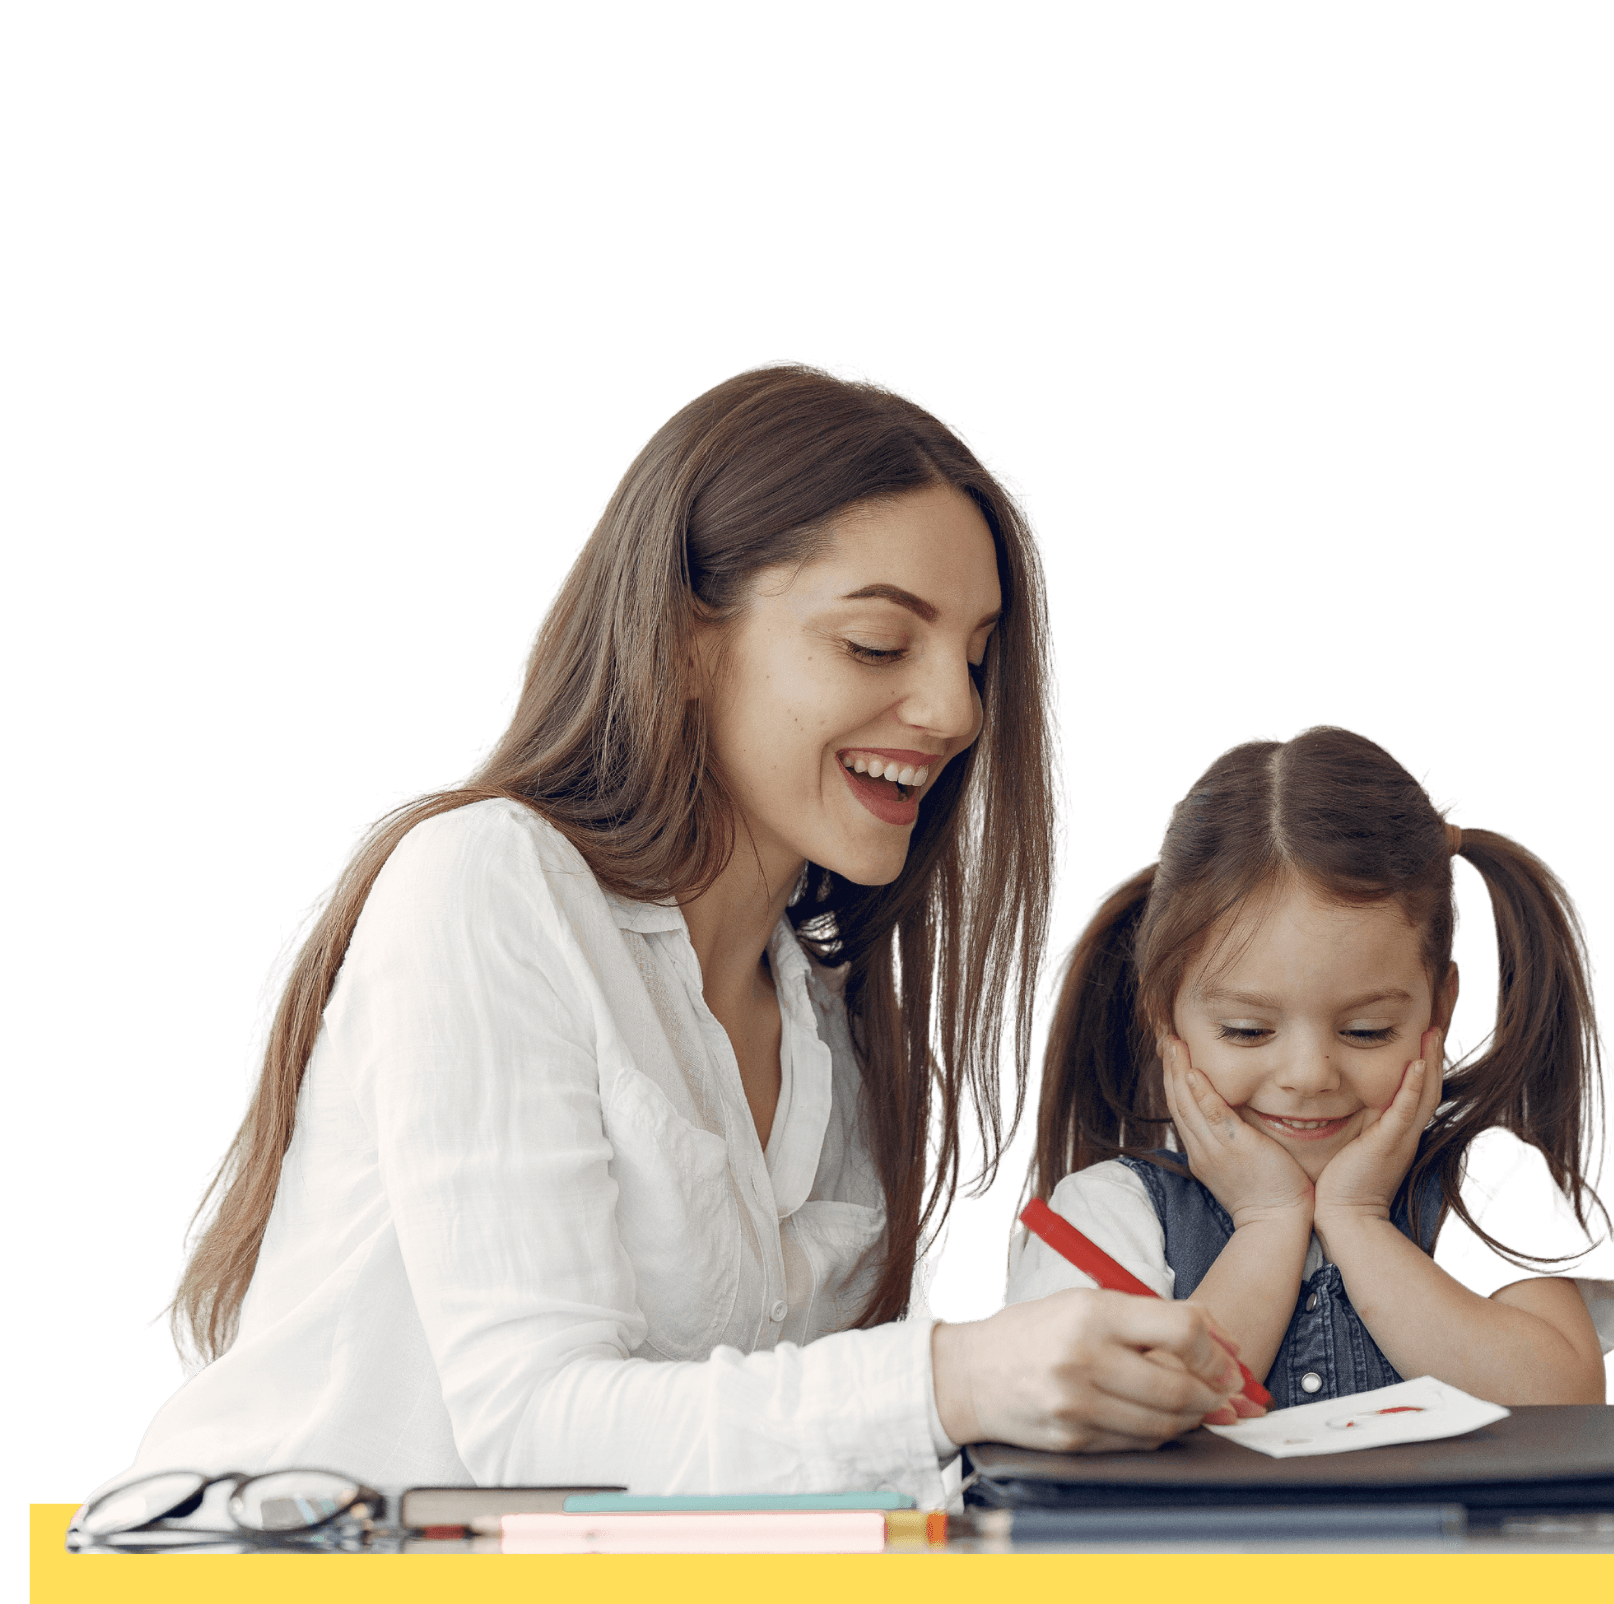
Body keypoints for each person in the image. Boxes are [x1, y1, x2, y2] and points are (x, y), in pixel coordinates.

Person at [92, 362, 1251, 1513]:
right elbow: (531, 1432)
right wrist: (954, 1379)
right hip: (265, 1600)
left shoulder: (828, 1013)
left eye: (976, 657)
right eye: (878, 646)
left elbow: (762, 1453)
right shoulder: (489, 882)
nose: (956, 712)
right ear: (690, 644)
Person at [1007, 724, 1614, 1407]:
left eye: (1367, 1031)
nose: (1309, 1075)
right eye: (1247, 1031)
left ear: (1439, 1009)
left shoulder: (1485, 1174)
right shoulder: (1107, 1214)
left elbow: (1564, 1404)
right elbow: (1116, 1421)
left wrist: (1359, 1220)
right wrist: (1268, 1222)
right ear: (1165, 1017)